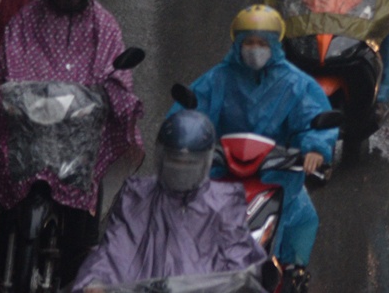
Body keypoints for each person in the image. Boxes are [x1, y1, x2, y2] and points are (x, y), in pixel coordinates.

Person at [0, 0, 142, 282]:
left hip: (78, 135)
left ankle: (86, 244)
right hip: (28, 128)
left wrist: (117, 96)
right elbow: (1, 66)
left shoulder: (104, 26)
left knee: (92, 178)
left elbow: (118, 75)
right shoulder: (25, 20)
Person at [173, 8, 337, 293]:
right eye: (249, 42)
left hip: (277, 175)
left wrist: (315, 148)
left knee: (303, 217)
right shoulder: (217, 79)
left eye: (262, 43)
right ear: (237, 43)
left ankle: (293, 272)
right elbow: (190, 113)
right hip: (221, 172)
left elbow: (313, 116)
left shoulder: (295, 84)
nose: (255, 49)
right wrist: (183, 141)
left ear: (275, 44)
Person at [71, 109, 266, 292]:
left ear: (205, 162)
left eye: (189, 164)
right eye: (175, 161)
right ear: (161, 157)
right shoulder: (138, 197)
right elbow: (115, 251)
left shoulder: (223, 203)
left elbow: (240, 261)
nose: (181, 171)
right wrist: (96, 282)